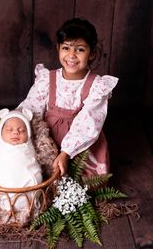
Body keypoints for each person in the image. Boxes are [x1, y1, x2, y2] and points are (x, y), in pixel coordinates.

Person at [18, 18, 118, 177]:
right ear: (58, 48)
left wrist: (66, 152)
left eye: (80, 50)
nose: (71, 55)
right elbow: (30, 109)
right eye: (66, 48)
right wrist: (13, 122)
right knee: (33, 172)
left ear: (91, 53)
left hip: (81, 145)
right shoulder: (47, 80)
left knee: (79, 182)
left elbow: (89, 122)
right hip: (48, 141)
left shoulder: (96, 86)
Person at [0, 108, 43, 214]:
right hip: (1, 184)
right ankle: (4, 201)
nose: (15, 132)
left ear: (28, 134)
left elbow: (32, 161)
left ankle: (26, 203)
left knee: (37, 176)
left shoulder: (28, 146)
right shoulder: (0, 146)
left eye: (21, 130)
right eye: (9, 130)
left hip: (27, 183)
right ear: (1, 133)